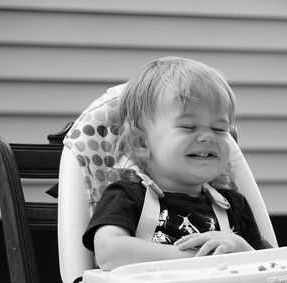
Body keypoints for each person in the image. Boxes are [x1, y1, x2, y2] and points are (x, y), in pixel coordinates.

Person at [82, 56, 270, 271]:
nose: (208, 137)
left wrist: (241, 249)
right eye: (189, 126)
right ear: (141, 142)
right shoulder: (127, 195)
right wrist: (200, 259)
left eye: (219, 129)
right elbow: (109, 253)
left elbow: (274, 265)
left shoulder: (233, 205)